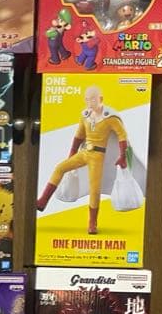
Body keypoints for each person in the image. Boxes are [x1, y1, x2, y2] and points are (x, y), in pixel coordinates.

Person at [36, 85, 128, 234]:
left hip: (97, 156)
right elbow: (79, 135)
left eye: (93, 99)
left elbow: (122, 136)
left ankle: (92, 222)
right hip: (84, 153)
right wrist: (72, 152)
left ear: (100, 99)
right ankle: (43, 200)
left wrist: (122, 156)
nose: (89, 102)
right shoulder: (85, 115)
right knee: (60, 168)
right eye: (87, 99)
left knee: (94, 189)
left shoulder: (110, 117)